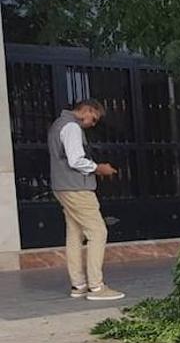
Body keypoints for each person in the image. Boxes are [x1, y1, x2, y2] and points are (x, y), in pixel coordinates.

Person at [48, 99, 124, 301]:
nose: (93, 123)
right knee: (98, 232)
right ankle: (96, 287)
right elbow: (76, 160)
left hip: (63, 186)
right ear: (87, 110)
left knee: (75, 234)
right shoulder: (72, 126)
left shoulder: (58, 124)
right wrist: (99, 168)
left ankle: (78, 285)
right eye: (94, 118)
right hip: (77, 188)